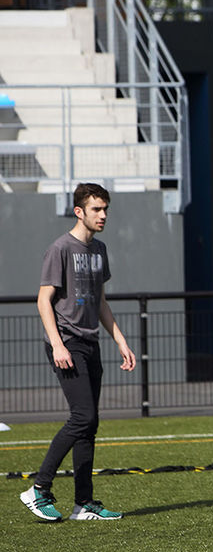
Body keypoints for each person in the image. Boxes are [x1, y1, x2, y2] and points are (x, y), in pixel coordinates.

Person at [20, 182, 136, 521]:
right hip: (67, 343)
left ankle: (83, 503)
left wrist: (120, 340)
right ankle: (39, 489)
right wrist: (57, 344)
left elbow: (100, 301)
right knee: (82, 417)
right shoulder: (60, 248)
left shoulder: (99, 249)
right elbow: (43, 300)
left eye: (105, 209)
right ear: (79, 211)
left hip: (91, 344)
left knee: (90, 425)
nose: (103, 215)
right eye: (96, 209)